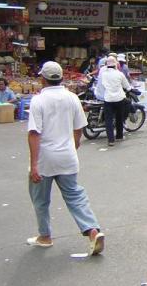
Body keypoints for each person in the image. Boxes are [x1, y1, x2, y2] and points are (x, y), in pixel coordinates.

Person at [26, 61, 104, 255]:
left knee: (40, 199)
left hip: (45, 158)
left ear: (43, 79)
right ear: (61, 77)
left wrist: (33, 165)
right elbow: (79, 128)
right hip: (68, 156)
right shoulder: (72, 98)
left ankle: (45, 236)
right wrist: (74, 145)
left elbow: (34, 134)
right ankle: (92, 231)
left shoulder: (38, 100)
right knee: (75, 196)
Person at [101, 56, 131, 146]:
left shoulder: (103, 74)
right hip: (119, 99)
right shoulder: (120, 74)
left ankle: (111, 140)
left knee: (108, 120)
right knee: (119, 117)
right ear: (115, 65)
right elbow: (127, 86)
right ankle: (119, 136)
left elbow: (103, 85)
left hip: (108, 99)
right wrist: (130, 89)